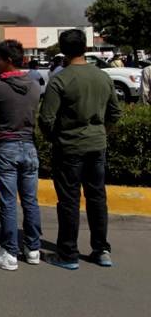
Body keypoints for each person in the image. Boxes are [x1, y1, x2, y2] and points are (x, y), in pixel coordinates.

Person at [39, 29, 121, 270]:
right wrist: (103, 132)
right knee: (97, 198)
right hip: (97, 146)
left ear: (63, 51)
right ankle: (101, 250)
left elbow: (46, 119)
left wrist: (55, 138)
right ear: (85, 48)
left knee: (69, 201)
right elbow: (115, 113)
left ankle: (68, 253)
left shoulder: (60, 80)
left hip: (69, 148)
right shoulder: (102, 77)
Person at [0, 40, 42, 271]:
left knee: (8, 202)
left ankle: (9, 253)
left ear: (7, 61)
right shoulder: (35, 86)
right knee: (30, 200)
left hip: (5, 147)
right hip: (29, 146)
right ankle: (33, 249)